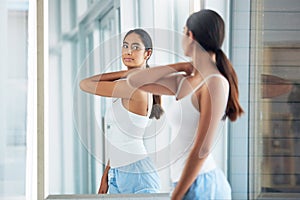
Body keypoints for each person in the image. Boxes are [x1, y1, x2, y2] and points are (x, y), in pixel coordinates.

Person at [127, 9, 244, 199]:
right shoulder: (185, 80)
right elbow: (134, 80)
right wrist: (179, 66)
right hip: (186, 183)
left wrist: (176, 196)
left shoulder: (215, 82)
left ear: (190, 36)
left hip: (202, 185)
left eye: (183, 31)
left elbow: (202, 149)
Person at [80, 29, 163, 194]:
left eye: (135, 47)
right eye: (125, 46)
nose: (128, 51)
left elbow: (85, 83)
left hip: (137, 173)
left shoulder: (132, 86)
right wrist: (107, 175)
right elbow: (119, 138)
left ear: (147, 53)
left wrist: (128, 73)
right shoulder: (128, 83)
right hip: (117, 172)